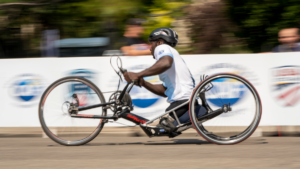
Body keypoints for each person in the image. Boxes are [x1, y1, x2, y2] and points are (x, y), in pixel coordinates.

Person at [123, 27, 203, 135]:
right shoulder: (171, 57)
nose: (150, 48)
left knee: (157, 129)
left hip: (183, 102)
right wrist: (143, 82)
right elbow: (164, 90)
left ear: (159, 42)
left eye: (151, 44)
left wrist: (138, 74)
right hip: (185, 102)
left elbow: (165, 63)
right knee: (159, 128)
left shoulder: (163, 47)